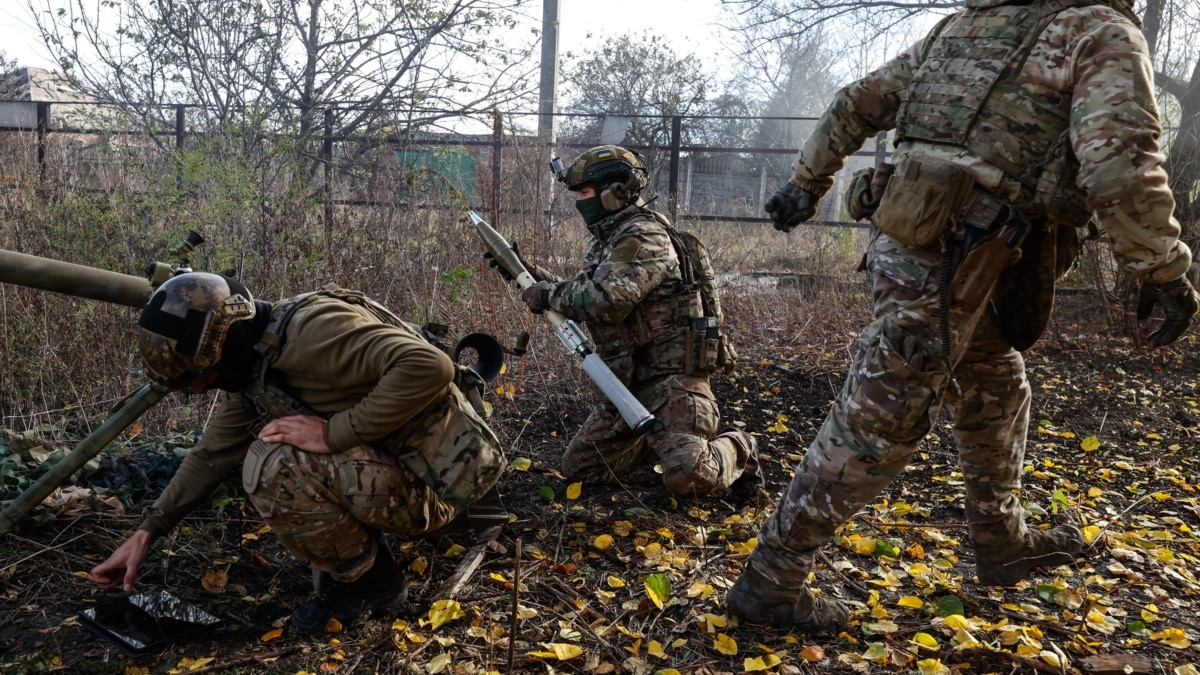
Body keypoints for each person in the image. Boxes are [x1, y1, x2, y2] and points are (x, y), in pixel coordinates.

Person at [727, 0, 1199, 635]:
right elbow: (1117, 163)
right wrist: (1161, 267)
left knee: (996, 384)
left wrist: (808, 182)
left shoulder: (966, 26)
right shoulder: (1098, 31)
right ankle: (770, 582)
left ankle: (1002, 541)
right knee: (884, 409)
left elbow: (856, 102)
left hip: (918, 234)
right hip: (959, 251)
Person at [91, 273, 507, 633]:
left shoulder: (313, 333)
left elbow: (430, 366)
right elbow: (212, 454)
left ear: (225, 346)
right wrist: (148, 531)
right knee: (269, 450)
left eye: (200, 377)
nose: (198, 389)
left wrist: (333, 434)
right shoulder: (258, 362)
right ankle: (369, 558)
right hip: (420, 470)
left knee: (270, 463)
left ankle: (375, 585)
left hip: (442, 485)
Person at [488, 145, 760, 499]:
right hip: (628, 387)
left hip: (672, 386)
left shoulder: (644, 237)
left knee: (688, 476)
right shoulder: (612, 239)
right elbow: (591, 292)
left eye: (585, 192)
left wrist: (547, 294)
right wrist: (531, 276)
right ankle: (660, 442)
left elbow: (606, 300)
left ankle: (742, 447)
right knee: (581, 470)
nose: (580, 201)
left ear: (615, 192)